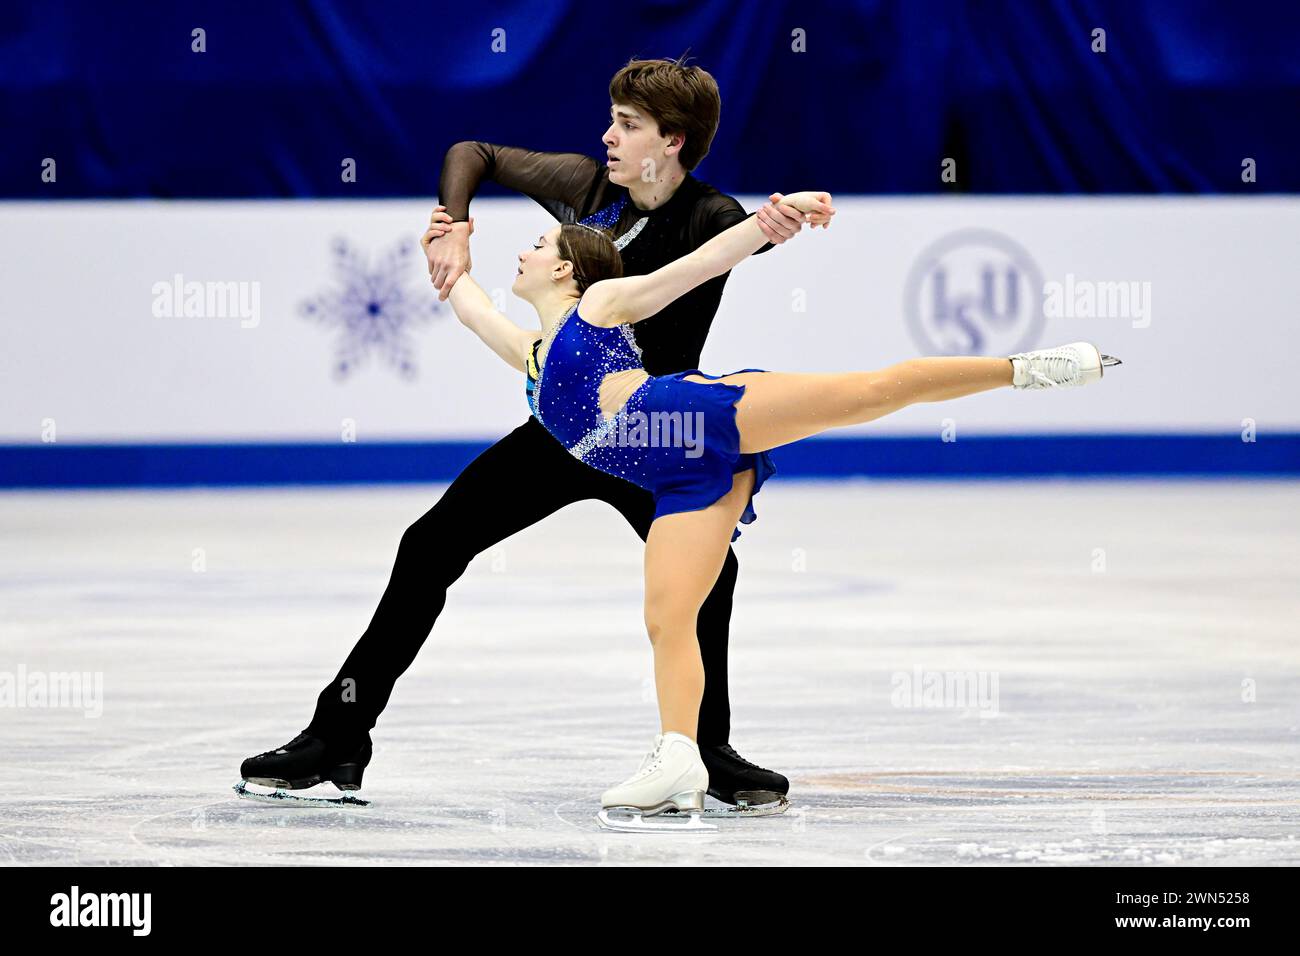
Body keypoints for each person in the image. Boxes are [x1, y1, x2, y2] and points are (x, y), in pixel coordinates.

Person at [237, 57, 809, 812]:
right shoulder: (583, 186)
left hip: (652, 440)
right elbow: (470, 153)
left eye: (628, 126)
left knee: (714, 578)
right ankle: (339, 731)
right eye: (612, 118)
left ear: (672, 142)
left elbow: (735, 244)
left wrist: (778, 221)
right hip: (566, 428)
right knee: (430, 544)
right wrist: (453, 226)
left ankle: (705, 751)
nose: (608, 136)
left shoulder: (708, 215)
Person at [444, 195, 1122, 831]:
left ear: (564, 267)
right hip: (677, 478)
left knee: (877, 390)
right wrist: (448, 248)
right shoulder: (532, 355)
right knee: (667, 617)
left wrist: (771, 220)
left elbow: (694, 268)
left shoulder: (600, 303)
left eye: (537, 244)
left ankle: (1035, 367)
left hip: (698, 414)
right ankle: (680, 755)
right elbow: (471, 307)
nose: (524, 254)